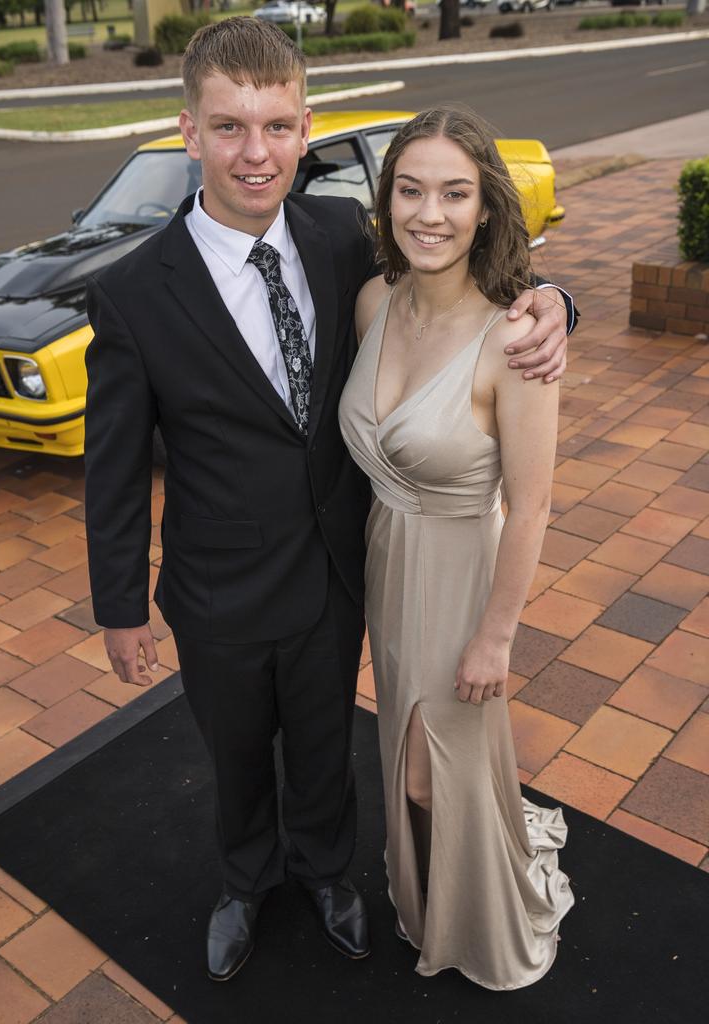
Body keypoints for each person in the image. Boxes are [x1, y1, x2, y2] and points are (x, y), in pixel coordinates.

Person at [83, 19, 573, 984]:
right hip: (217, 587)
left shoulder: (342, 237)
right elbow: (114, 464)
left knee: (324, 745)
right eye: (229, 128)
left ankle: (324, 873)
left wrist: (556, 298)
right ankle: (244, 881)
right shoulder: (135, 292)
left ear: (306, 127)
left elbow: (458, 284)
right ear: (190, 132)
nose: (254, 153)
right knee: (235, 756)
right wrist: (117, 604)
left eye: (275, 126)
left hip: (344, 569)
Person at [339, 108, 575, 990]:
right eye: (410, 189)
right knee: (407, 762)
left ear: (485, 208)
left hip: (462, 575)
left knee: (435, 775)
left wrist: (497, 637)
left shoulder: (516, 337)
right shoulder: (373, 302)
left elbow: (536, 502)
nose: (428, 213)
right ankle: (430, 895)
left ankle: (479, 917)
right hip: (385, 561)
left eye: (454, 192)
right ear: (386, 198)